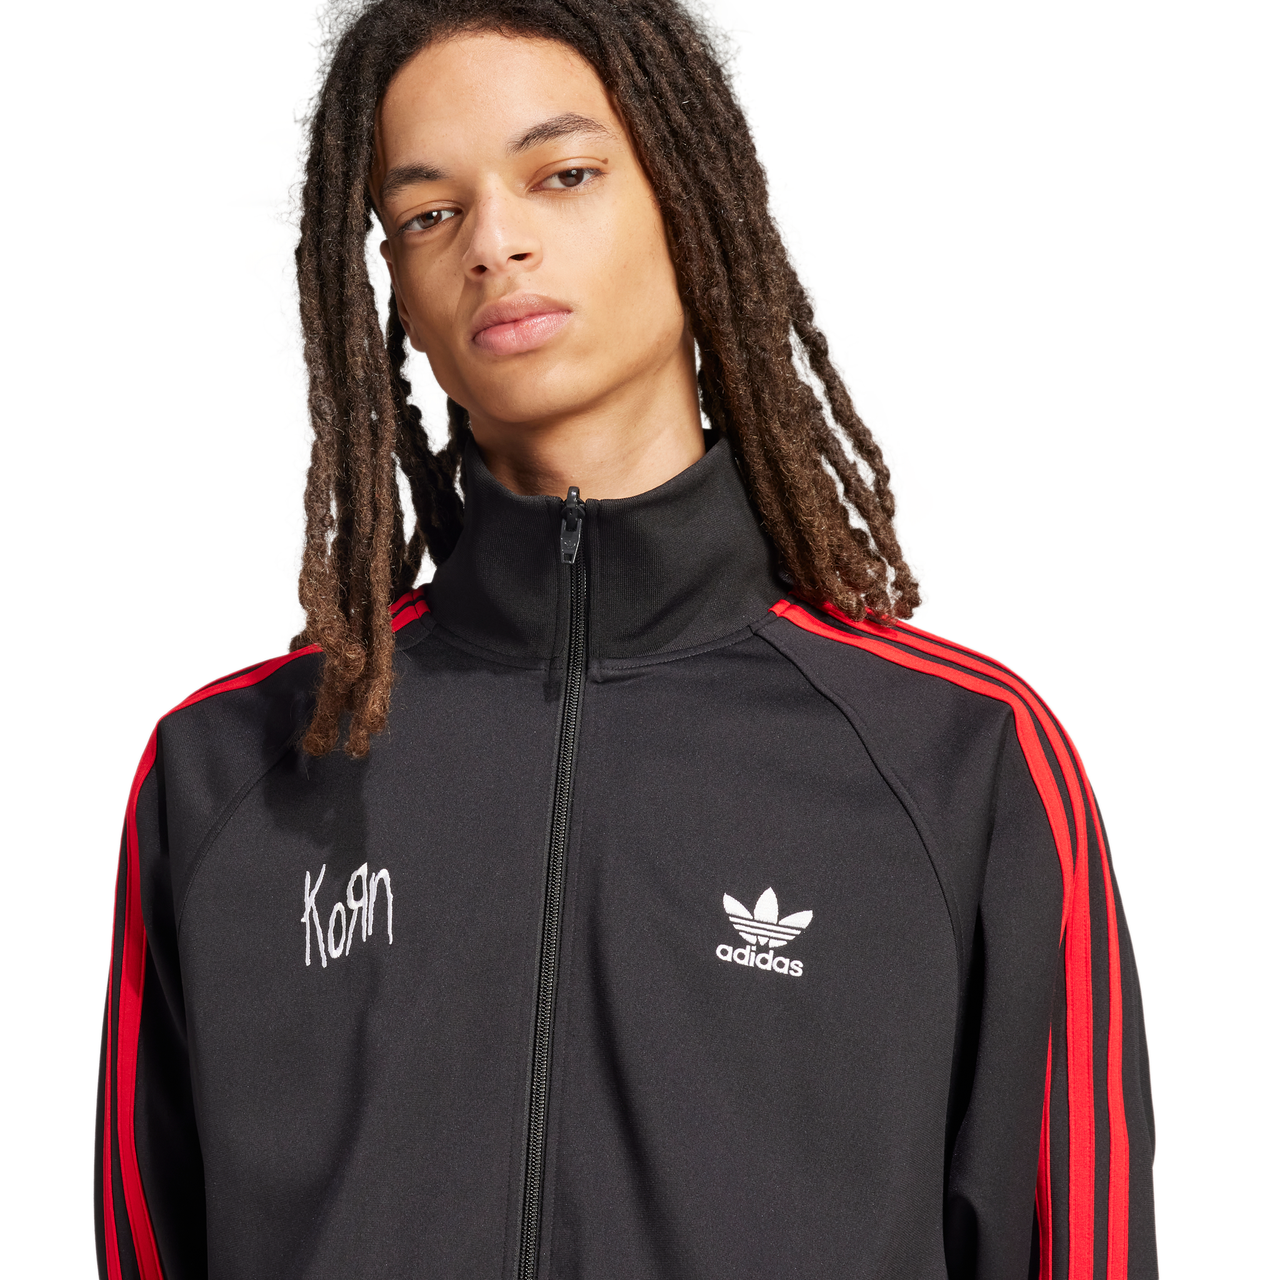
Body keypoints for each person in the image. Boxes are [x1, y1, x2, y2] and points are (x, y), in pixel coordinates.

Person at [96, 1, 1156, 1276]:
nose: (494, 242)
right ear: (398, 297)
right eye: (428, 212)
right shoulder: (228, 776)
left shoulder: (958, 761)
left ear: (687, 205)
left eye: (564, 174)